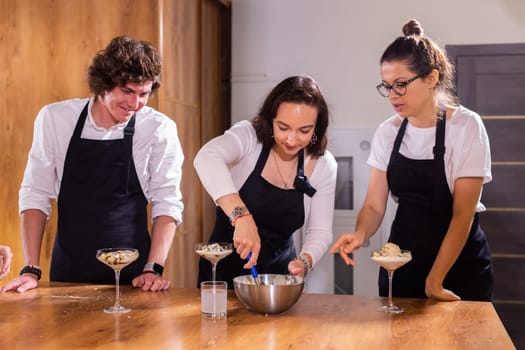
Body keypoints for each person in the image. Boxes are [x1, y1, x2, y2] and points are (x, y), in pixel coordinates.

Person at [1, 36, 184, 293]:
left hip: (134, 276)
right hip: (67, 274)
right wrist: (31, 269)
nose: (135, 104)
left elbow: (167, 201)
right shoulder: (55, 119)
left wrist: (153, 268)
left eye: (144, 94)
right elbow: (35, 193)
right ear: (102, 84)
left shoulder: (158, 128)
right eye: (127, 91)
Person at [330, 19, 493, 302]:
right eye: (387, 86)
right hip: (402, 266)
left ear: (431, 78)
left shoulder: (466, 126)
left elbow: (462, 215)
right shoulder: (388, 131)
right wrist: (360, 233)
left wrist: (435, 280)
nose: (392, 95)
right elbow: (373, 204)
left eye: (401, 85)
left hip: (459, 267)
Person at [194, 75, 337, 287]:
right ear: (270, 120)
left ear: (317, 128)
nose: (291, 139)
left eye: (304, 131)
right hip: (222, 270)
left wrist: (305, 262)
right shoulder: (249, 137)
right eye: (283, 127)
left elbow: (320, 231)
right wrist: (241, 217)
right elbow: (206, 157)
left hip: (279, 276)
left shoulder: (324, 165)